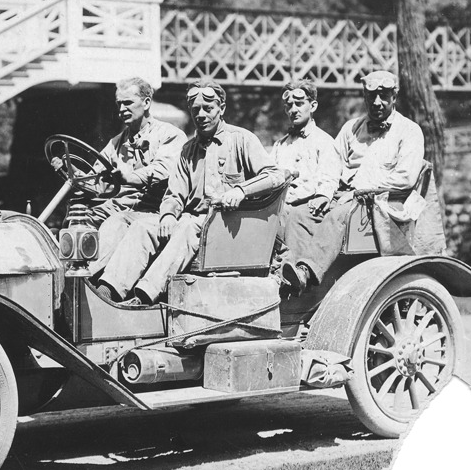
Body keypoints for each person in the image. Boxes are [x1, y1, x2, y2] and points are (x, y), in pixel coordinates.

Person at [93, 80, 287, 305]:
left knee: (188, 227)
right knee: (142, 226)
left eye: (208, 108)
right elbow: (174, 194)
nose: (201, 115)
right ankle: (108, 291)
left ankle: (144, 296)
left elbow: (275, 175)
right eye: (196, 110)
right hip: (192, 221)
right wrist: (168, 214)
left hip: (229, 222)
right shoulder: (188, 150)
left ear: (222, 109)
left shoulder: (241, 139)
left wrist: (241, 190)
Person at [281, 70, 425, 292]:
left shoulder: (409, 131)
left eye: (383, 96)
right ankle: (293, 279)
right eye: (371, 96)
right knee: (300, 214)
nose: (377, 102)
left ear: (394, 97)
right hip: (344, 197)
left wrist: (360, 192)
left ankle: (306, 270)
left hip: (383, 202)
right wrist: (324, 194)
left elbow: (405, 177)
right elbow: (332, 166)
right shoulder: (351, 128)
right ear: (365, 98)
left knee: (339, 214)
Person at [52, 77, 187, 273]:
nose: (122, 109)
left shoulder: (169, 135)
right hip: (115, 207)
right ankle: (64, 272)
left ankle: (88, 278)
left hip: (151, 209)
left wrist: (128, 177)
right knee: (78, 219)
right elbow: (96, 183)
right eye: (119, 104)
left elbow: (163, 169)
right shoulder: (116, 142)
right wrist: (72, 173)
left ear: (146, 102)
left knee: (115, 222)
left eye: (128, 103)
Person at [270, 79, 341, 283]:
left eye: (299, 104)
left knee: (295, 217)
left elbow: (330, 176)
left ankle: (294, 277)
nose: (293, 109)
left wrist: (323, 195)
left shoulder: (324, 141)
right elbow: (269, 174)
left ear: (313, 106)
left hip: (310, 206)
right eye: (289, 105)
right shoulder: (280, 145)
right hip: (282, 204)